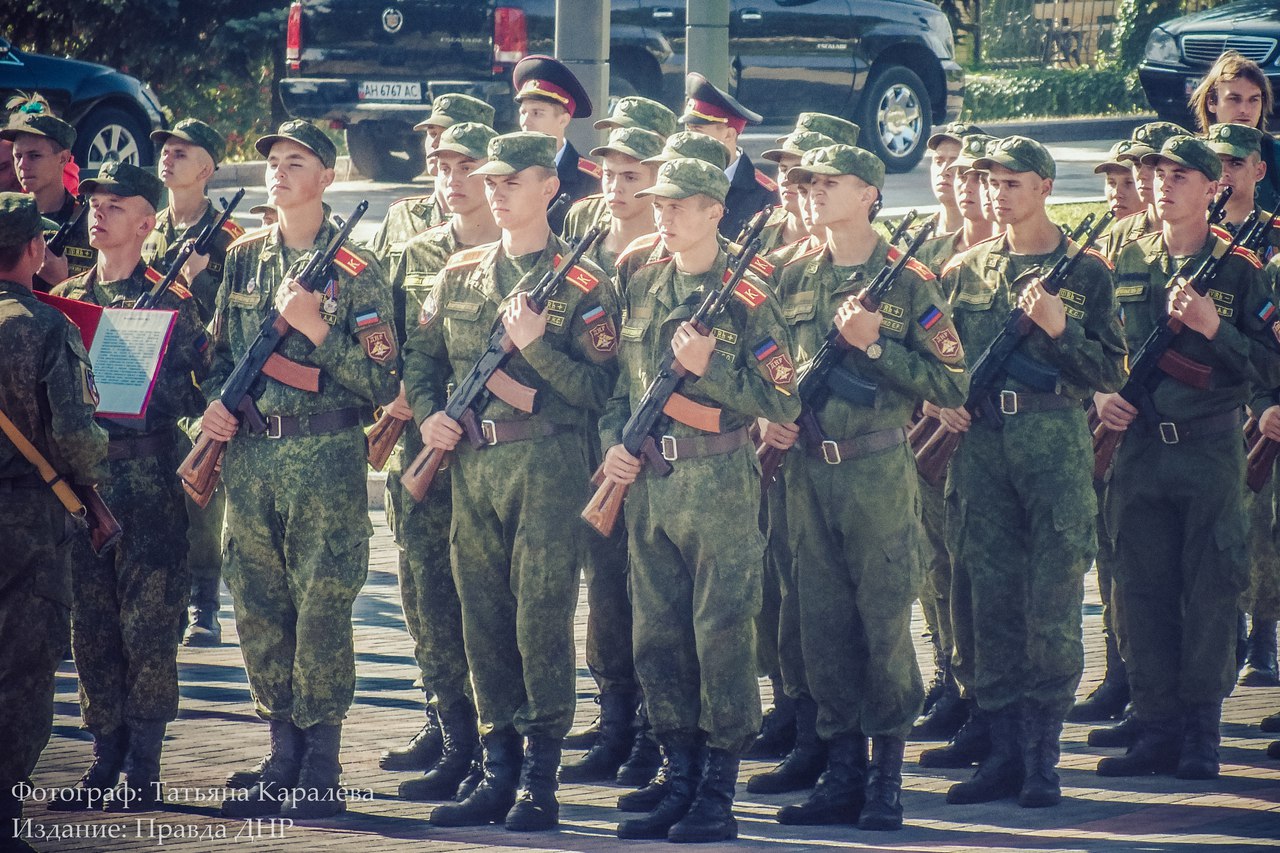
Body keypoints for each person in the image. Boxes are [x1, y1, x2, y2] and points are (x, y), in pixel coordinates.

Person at [402, 131, 620, 831]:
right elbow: (421, 357)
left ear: (550, 188)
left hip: (549, 466)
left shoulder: (586, 283)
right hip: (471, 466)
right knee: (484, 617)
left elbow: (602, 388)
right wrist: (433, 415)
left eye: (511, 181)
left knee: (541, 618)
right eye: (490, 182)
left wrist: (535, 352)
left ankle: (540, 778)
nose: (494, 192)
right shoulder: (460, 272)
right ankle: (497, 768)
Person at [762, 144, 967, 832]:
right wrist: (771, 410)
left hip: (877, 468)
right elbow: (771, 367)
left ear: (869, 193)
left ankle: (885, 780)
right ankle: (840, 771)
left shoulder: (906, 281)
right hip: (807, 471)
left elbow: (952, 382)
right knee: (821, 625)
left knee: (882, 627)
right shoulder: (790, 274)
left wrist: (876, 345)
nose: (814, 192)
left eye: (829, 182)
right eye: (808, 183)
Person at [598, 157, 800, 842]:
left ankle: (717, 788)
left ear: (716, 210)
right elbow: (622, 393)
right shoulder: (645, 283)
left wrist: (712, 365)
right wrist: (614, 445)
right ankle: (676, 773)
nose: (664, 214)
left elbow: (781, 398)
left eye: (680, 204)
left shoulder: (748, 297)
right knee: (657, 636)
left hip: (718, 482)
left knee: (721, 635)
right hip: (651, 482)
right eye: (660, 203)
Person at [203, 120, 399, 820]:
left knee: (321, 607)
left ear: (326, 179)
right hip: (252, 457)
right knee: (258, 604)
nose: (279, 173)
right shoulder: (245, 258)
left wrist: (316, 330)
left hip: (324, 457)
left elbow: (384, 383)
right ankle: (281, 750)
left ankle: (321, 762)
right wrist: (214, 410)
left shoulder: (357, 270)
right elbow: (220, 358)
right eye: (273, 162)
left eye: (296, 162)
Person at [935, 136, 1127, 808]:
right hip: (984, 448)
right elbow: (942, 360)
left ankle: (1043, 758)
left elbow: (1110, 372)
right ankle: (1002, 752)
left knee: (1049, 602)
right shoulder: (968, 270)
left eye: (1013, 182)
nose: (999, 193)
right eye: (992, 182)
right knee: (989, 600)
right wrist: (941, 398)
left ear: (1044, 186)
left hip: (1053, 442)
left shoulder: (1087, 272)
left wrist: (1058, 327)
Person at [1094, 134, 1280, 782]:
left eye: (1181, 176)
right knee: (1139, 591)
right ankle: (1154, 725)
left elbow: (1269, 362)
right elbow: (1090, 348)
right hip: (1140, 450)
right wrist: (1099, 393)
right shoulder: (1120, 256)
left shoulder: (1240, 270)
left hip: (1208, 450)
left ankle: (1201, 731)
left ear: (1213, 189)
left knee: (1210, 590)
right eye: (1158, 174)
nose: (1164, 185)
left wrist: (1213, 328)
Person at [47, 163, 210, 812]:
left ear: (147, 223)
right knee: (93, 629)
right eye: (95, 203)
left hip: (148, 482)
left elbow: (203, 388)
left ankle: (144, 762)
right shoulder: (69, 301)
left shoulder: (171, 299)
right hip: (86, 487)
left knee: (149, 630)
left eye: (117, 206)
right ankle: (102, 755)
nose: (100, 213)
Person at [378, 121, 498, 799]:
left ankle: (495, 746)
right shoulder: (415, 252)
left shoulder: (530, 257)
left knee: (488, 606)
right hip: (427, 449)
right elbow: (397, 348)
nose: (451, 181)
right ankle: (453, 737)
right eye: (441, 168)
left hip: (494, 457)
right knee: (428, 600)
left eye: (467, 167)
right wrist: (426, 415)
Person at [557, 124, 667, 788]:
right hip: (597, 442)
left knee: (654, 595)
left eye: (632, 175)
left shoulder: (672, 255)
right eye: (608, 174)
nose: (616, 187)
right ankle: (615, 718)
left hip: (660, 450)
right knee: (606, 590)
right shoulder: (586, 247)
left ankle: (657, 733)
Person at [0, 192, 108, 851]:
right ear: (35, 251)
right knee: (23, 667)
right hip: (27, 520)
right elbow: (76, 434)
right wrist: (91, 486)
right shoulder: (45, 326)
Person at [742, 126, 839, 784]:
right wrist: (762, 413)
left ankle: (823, 735)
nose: (792, 187)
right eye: (787, 175)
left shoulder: (850, 264)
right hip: (768, 449)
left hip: (831, 454)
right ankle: (790, 707)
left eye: (807, 177)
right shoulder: (768, 252)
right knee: (776, 590)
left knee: (819, 599)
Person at [142, 118, 245, 649]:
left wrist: (201, 277)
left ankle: (204, 601)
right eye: (166, 151)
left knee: (201, 496)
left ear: (206, 167)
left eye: (182, 153)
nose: (169, 158)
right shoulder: (148, 228)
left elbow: (237, 321)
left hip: (198, 383)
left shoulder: (232, 240)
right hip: (148, 382)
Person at [911, 132, 999, 750]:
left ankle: (982, 693)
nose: (958, 182)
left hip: (993, 436)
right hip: (936, 430)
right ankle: (948, 674)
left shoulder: (1003, 261)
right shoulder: (935, 256)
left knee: (979, 569)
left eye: (971, 173)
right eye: (947, 170)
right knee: (936, 565)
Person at [366, 93, 495, 273]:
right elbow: (370, 278)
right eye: (432, 133)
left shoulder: (502, 221)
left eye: (447, 134)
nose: (435, 143)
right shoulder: (402, 216)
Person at [0, 97, 94, 288]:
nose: (22, 165)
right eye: (18, 156)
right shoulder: (6, 216)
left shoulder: (89, 222)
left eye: (35, 156)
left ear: (63, 158)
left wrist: (62, 284)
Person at [561, 94, 676, 244]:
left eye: (630, 177)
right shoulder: (584, 214)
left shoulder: (676, 226)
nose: (623, 137)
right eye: (608, 175)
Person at [679, 72, 775, 240]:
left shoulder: (766, 195)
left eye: (697, 130)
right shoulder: (676, 179)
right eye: (688, 129)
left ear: (729, 135)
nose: (689, 138)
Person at [512, 55, 601, 231]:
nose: (525, 122)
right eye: (523, 112)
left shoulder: (591, 180)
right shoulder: (508, 171)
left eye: (537, 113)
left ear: (563, 120)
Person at [1189, 49, 1279, 211]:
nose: (1245, 109)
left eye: (1253, 100)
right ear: (1212, 102)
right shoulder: (1191, 156)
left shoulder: (1275, 156)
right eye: (1234, 99)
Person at [922, 122, 986, 237]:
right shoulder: (915, 236)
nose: (943, 171)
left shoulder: (994, 238)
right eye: (938, 161)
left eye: (955, 162)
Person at [1095, 141, 1144, 223]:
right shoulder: (1116, 235)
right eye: (1111, 183)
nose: (1117, 194)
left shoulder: (1168, 234)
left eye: (1129, 182)